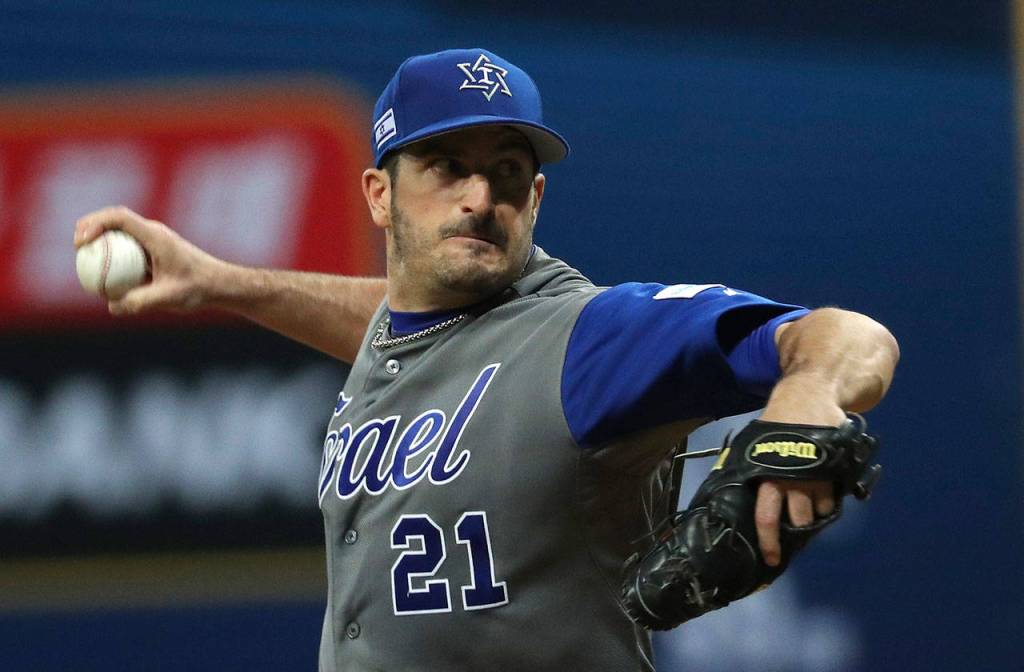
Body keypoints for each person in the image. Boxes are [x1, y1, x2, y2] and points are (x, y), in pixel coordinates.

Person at [74, 48, 899, 671]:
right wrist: (224, 282)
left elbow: (848, 335)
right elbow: (398, 322)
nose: (480, 197)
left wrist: (809, 392)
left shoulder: (590, 337)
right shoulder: (418, 332)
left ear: (535, 199)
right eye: (446, 167)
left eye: (508, 173)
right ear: (379, 194)